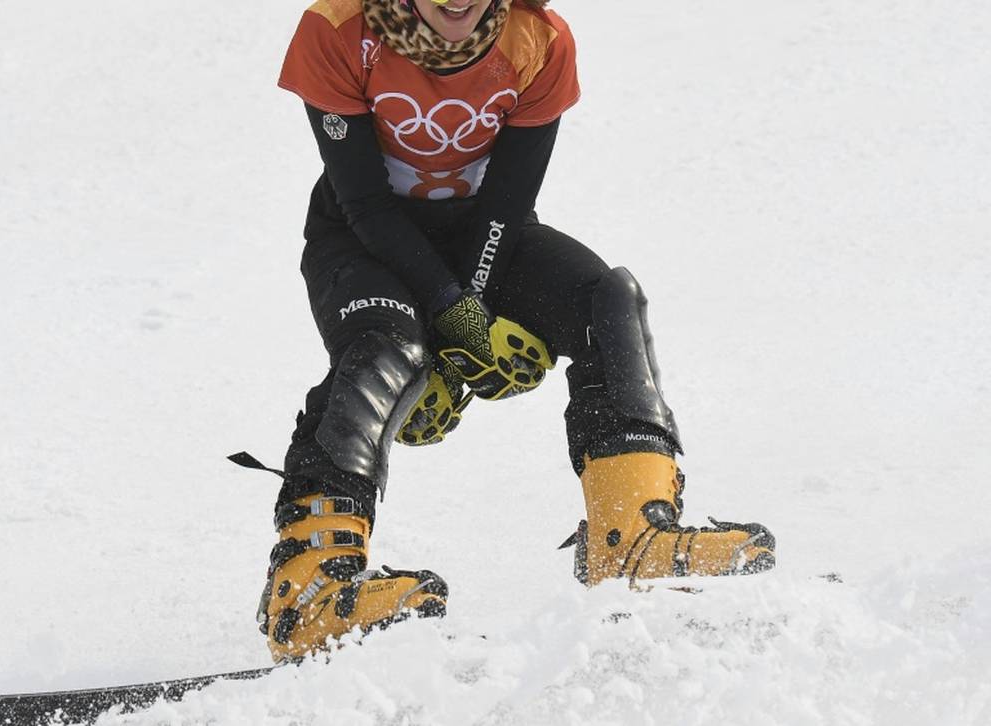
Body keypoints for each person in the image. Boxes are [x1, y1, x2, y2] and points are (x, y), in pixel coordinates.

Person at [257, 0, 775, 663]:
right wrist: (454, 329)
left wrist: (465, 313)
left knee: (605, 300)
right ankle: (306, 592)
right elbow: (366, 206)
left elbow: (506, 204)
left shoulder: (540, 42)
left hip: (484, 236)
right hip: (361, 244)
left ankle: (632, 537)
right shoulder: (338, 31)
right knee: (387, 352)